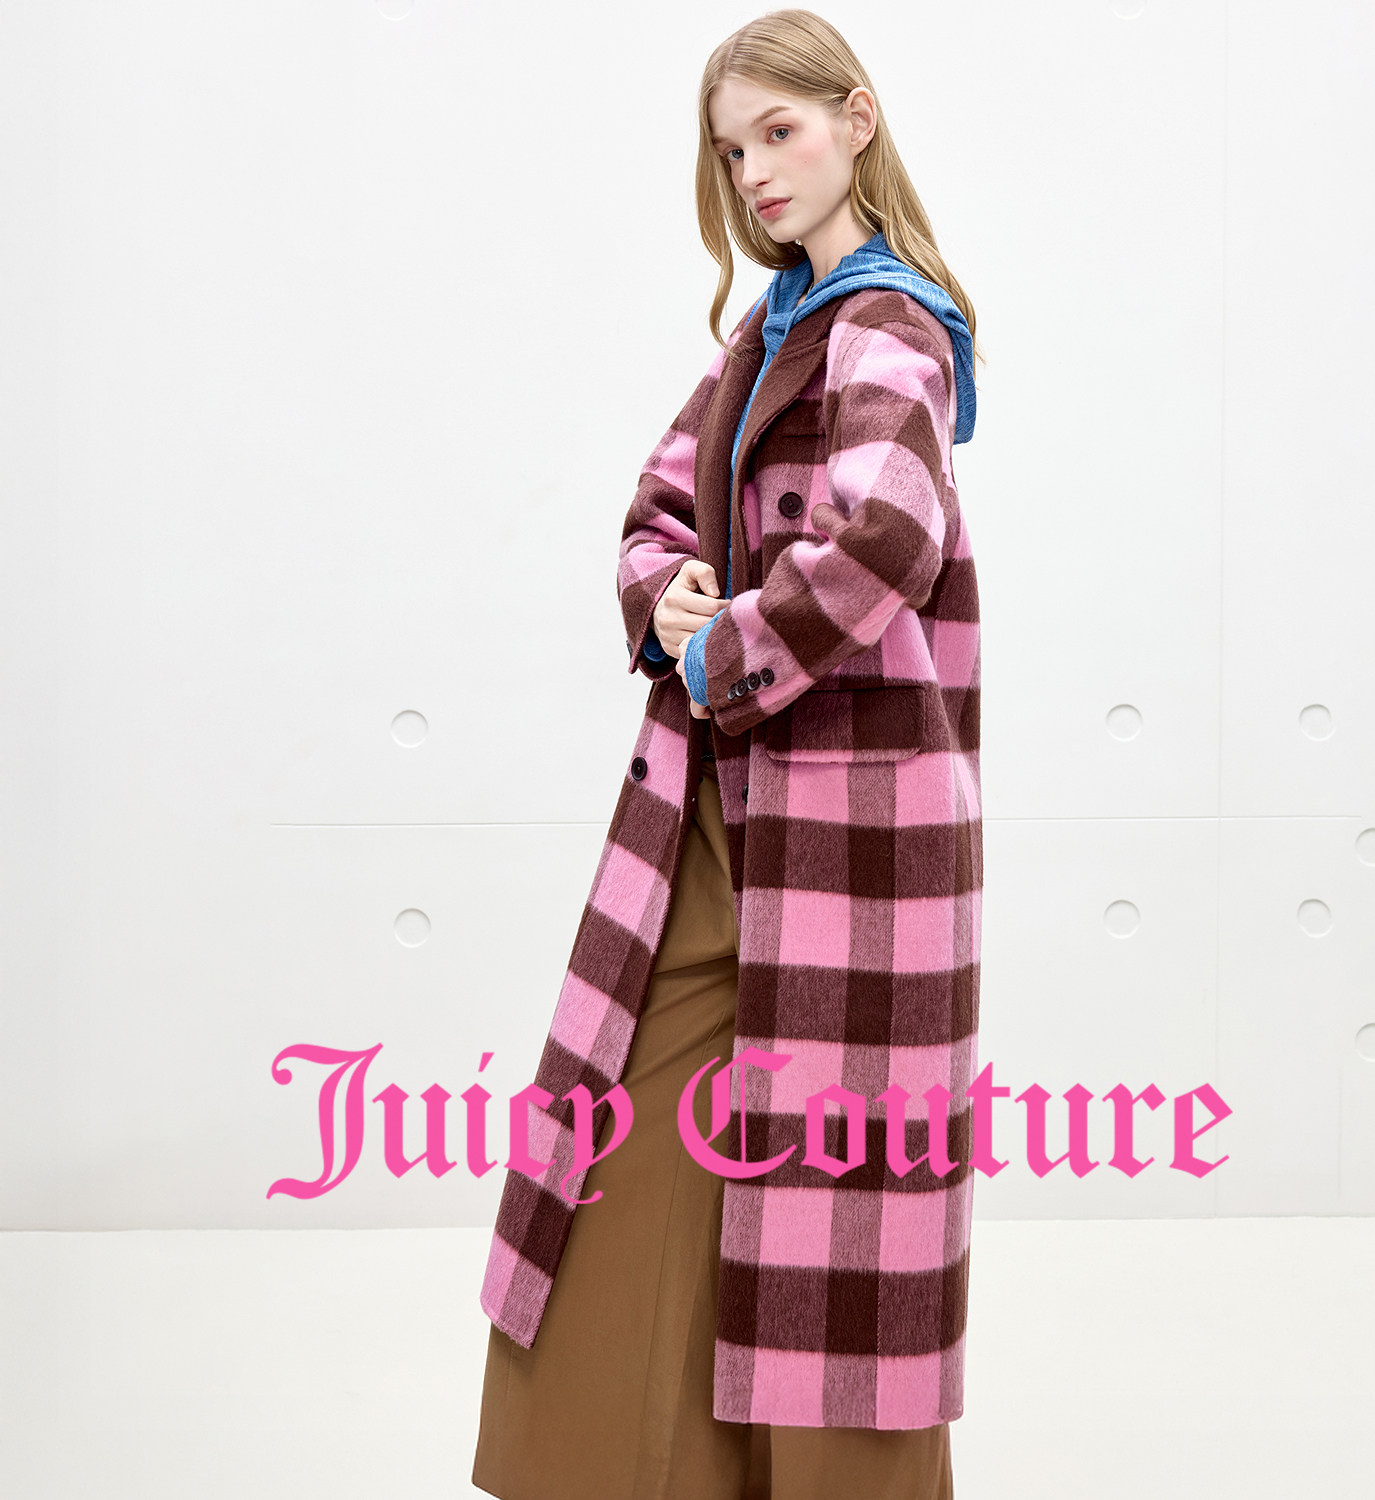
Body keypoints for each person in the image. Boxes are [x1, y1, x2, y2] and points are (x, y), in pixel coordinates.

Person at [472, 9, 983, 1497]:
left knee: (838, 1192)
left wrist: (722, 650)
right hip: (714, 808)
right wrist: (667, 596)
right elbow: (655, 507)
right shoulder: (767, 334)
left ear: (856, 120)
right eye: (731, 148)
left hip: (851, 829)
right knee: (623, 1133)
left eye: (781, 130)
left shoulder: (886, 327)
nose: (756, 170)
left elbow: (885, 538)